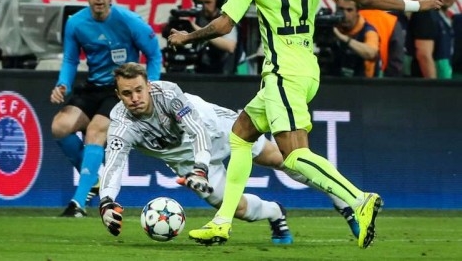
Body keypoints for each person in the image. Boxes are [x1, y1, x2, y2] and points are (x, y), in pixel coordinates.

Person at [167, 0, 443, 248]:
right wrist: (416, 4)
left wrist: (187, 37)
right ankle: (222, 222)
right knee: (241, 134)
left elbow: (225, 25)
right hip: (306, 70)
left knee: (295, 155)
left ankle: (359, 199)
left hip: (283, 75)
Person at [98, 62, 359, 242]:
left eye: (139, 90)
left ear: (148, 84)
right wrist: (106, 201)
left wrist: (199, 169)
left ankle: (343, 201)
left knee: (284, 159)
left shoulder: (168, 93)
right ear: (118, 95)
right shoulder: (121, 124)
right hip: (189, 163)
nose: (134, 98)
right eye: (127, 93)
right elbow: (114, 163)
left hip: (216, 129)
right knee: (238, 209)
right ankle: (275, 213)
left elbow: (196, 131)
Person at [50, 0, 162, 217]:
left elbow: (154, 53)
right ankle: (95, 180)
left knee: (95, 132)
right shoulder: (76, 23)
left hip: (119, 90)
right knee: (60, 126)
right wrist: (62, 84)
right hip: (92, 87)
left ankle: (78, 204)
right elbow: (70, 59)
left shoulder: (129, 21)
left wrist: (151, 85)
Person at [404, 0, 460, 79]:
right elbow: (424, 55)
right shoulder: (426, 14)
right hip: (421, 85)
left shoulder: (444, 18)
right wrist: (434, 87)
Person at [357, 0, 405, 77]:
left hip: (349, 77)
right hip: (379, 79)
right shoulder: (392, 21)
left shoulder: (351, 17)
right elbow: (396, 59)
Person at [332, 0, 381, 78]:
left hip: (362, 83)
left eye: (349, 10)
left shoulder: (368, 31)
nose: (345, 14)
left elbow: (371, 53)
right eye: (341, 9)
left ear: (357, 12)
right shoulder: (331, 27)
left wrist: (344, 38)